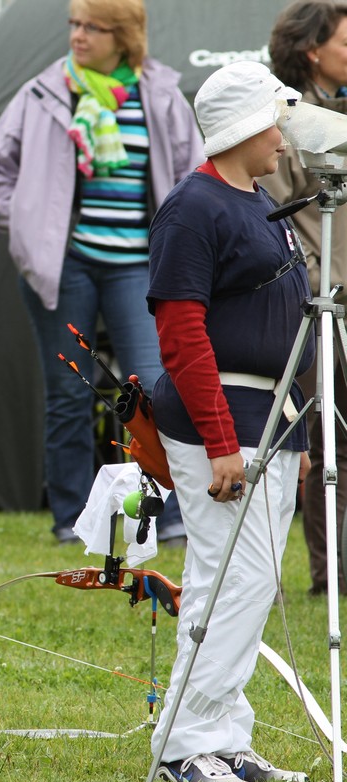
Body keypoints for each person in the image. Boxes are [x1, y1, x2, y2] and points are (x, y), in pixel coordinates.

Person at [0, 0, 202, 546]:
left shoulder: (160, 93)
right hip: (64, 266)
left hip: (137, 268)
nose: (78, 36)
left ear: (122, 37)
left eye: (92, 28)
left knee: (152, 390)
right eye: (74, 25)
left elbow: (192, 171)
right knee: (67, 394)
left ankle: (166, 516)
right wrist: (27, 232)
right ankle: (71, 521)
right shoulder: (43, 91)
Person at [147, 60, 310, 782]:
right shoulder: (194, 206)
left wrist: (298, 434)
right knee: (228, 581)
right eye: (273, 119)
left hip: (269, 421)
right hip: (222, 420)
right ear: (243, 126)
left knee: (251, 579)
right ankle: (185, 746)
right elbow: (181, 334)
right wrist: (220, 442)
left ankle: (225, 736)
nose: (281, 135)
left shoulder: (260, 202)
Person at [263, 1, 347, 597]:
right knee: (324, 440)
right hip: (320, 302)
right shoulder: (287, 120)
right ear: (313, 49)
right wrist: (314, 280)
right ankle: (332, 576)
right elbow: (274, 214)